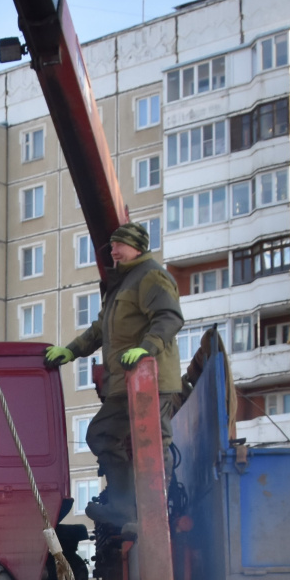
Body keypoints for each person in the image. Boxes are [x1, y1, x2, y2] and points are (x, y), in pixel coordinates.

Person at [44, 221, 184, 530]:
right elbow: (100, 330)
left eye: (119, 245)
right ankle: (126, 506)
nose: (114, 251)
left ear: (137, 247)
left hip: (152, 382)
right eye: (112, 245)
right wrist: (70, 351)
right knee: (103, 435)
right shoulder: (121, 283)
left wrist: (147, 349)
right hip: (125, 383)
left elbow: (169, 317)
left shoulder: (151, 276)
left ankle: (152, 506)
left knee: (151, 443)